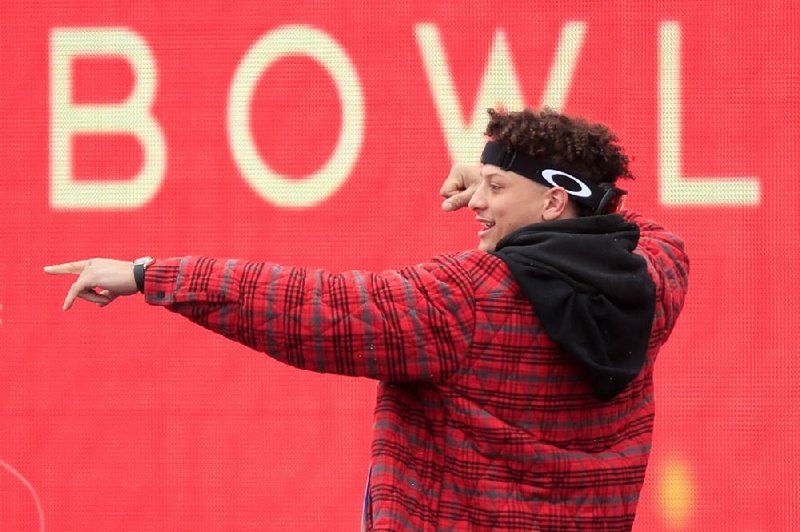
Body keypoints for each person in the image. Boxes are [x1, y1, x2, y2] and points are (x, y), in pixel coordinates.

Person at [45, 108, 689, 531]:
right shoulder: (653, 278)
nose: (478, 203)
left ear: (552, 199)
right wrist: (520, 183)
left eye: (496, 187)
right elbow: (635, 227)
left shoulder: (464, 298)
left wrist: (149, 274)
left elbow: (309, 306)